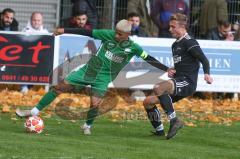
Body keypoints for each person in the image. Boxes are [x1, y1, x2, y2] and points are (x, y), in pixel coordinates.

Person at [16, 19, 172, 135]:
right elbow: (86, 32)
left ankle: (87, 126)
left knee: (95, 103)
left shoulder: (134, 48)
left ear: (127, 35)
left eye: (119, 34)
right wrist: (64, 30)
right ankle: (34, 111)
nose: (115, 35)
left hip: (103, 78)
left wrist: (167, 69)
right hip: (89, 70)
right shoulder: (108, 34)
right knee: (59, 87)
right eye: (115, 32)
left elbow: (149, 58)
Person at [143, 13, 213, 140]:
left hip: (187, 82)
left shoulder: (189, 42)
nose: (170, 30)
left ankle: (174, 120)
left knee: (159, 87)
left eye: (173, 27)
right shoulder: (175, 45)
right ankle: (159, 131)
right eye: (170, 27)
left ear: (182, 26)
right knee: (148, 102)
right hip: (177, 81)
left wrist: (207, 74)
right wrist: (172, 70)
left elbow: (204, 59)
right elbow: (183, 63)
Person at [20, 12, 49, 93]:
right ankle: (24, 87)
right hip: (27, 58)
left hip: (40, 59)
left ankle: (45, 88)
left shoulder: (46, 32)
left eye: (38, 20)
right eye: (34, 20)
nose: (36, 22)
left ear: (42, 21)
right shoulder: (24, 31)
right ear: (30, 20)